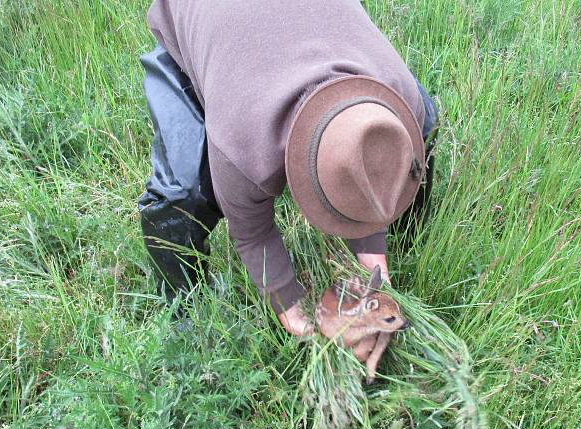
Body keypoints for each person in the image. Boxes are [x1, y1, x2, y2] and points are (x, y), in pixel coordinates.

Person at [138, 0, 439, 337]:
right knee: (185, 194)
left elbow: (365, 159)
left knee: (426, 122)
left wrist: (374, 262)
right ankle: (185, 317)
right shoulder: (243, 146)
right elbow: (252, 235)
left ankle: (406, 236)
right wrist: (293, 312)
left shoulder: (403, 95)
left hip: (305, 25)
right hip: (198, 16)